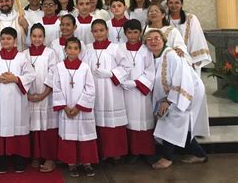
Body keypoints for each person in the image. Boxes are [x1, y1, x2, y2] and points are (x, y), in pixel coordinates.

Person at [145, 29, 209, 169]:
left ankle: (167, 158)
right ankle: (200, 154)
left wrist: (169, 101)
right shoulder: (152, 56)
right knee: (179, 125)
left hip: (185, 92)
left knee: (172, 121)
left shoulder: (172, 55)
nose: (153, 41)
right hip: (171, 94)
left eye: (157, 38)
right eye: (149, 39)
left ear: (164, 40)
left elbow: (181, 80)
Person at [0, 27, 36, 174]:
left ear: (15, 41)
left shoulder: (22, 57)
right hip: (0, 100)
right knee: (1, 128)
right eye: (3, 38)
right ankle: (1, 161)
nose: (5, 41)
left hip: (17, 100)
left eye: (9, 38)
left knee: (17, 127)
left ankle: (19, 160)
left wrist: (16, 79)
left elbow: (31, 75)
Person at [83, 19, 129, 162]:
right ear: (92, 33)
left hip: (111, 90)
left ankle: (115, 152)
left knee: (112, 122)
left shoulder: (116, 48)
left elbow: (126, 67)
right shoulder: (87, 48)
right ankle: (101, 151)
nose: (98, 33)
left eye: (101, 30)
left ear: (107, 31)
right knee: (96, 121)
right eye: (95, 31)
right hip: (94, 89)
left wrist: (110, 74)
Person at [52, 37, 98, 178]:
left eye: (75, 48)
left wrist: (79, 107)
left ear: (79, 50)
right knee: (69, 135)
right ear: (65, 50)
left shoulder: (85, 67)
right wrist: (65, 107)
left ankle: (87, 163)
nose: (72, 51)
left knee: (85, 136)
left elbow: (90, 88)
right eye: (69, 48)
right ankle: (71, 164)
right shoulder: (59, 67)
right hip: (66, 109)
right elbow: (57, 88)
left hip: (81, 110)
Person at [118, 19, 155, 162]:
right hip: (125, 91)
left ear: (140, 33)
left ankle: (146, 151)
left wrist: (136, 83)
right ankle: (132, 152)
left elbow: (150, 70)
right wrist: (122, 81)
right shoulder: (120, 49)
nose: (132, 35)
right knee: (129, 120)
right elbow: (116, 66)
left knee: (143, 120)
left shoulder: (146, 49)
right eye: (129, 32)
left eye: (135, 32)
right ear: (125, 33)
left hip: (141, 92)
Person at [23, 24, 58, 172]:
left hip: (46, 95)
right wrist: (28, 95)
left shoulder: (50, 53)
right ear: (30, 37)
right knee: (32, 126)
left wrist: (44, 94)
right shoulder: (24, 54)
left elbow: (53, 74)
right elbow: (21, 74)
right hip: (29, 96)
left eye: (40, 36)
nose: (37, 39)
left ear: (44, 37)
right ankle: (36, 155)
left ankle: (49, 158)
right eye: (34, 36)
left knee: (46, 127)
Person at [167, 0, 211, 76]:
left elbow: (197, 37)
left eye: (177, 3)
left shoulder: (191, 18)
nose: (174, 5)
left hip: (189, 58)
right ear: (167, 4)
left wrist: (195, 59)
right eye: (171, 3)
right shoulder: (164, 19)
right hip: (171, 59)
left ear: (182, 4)